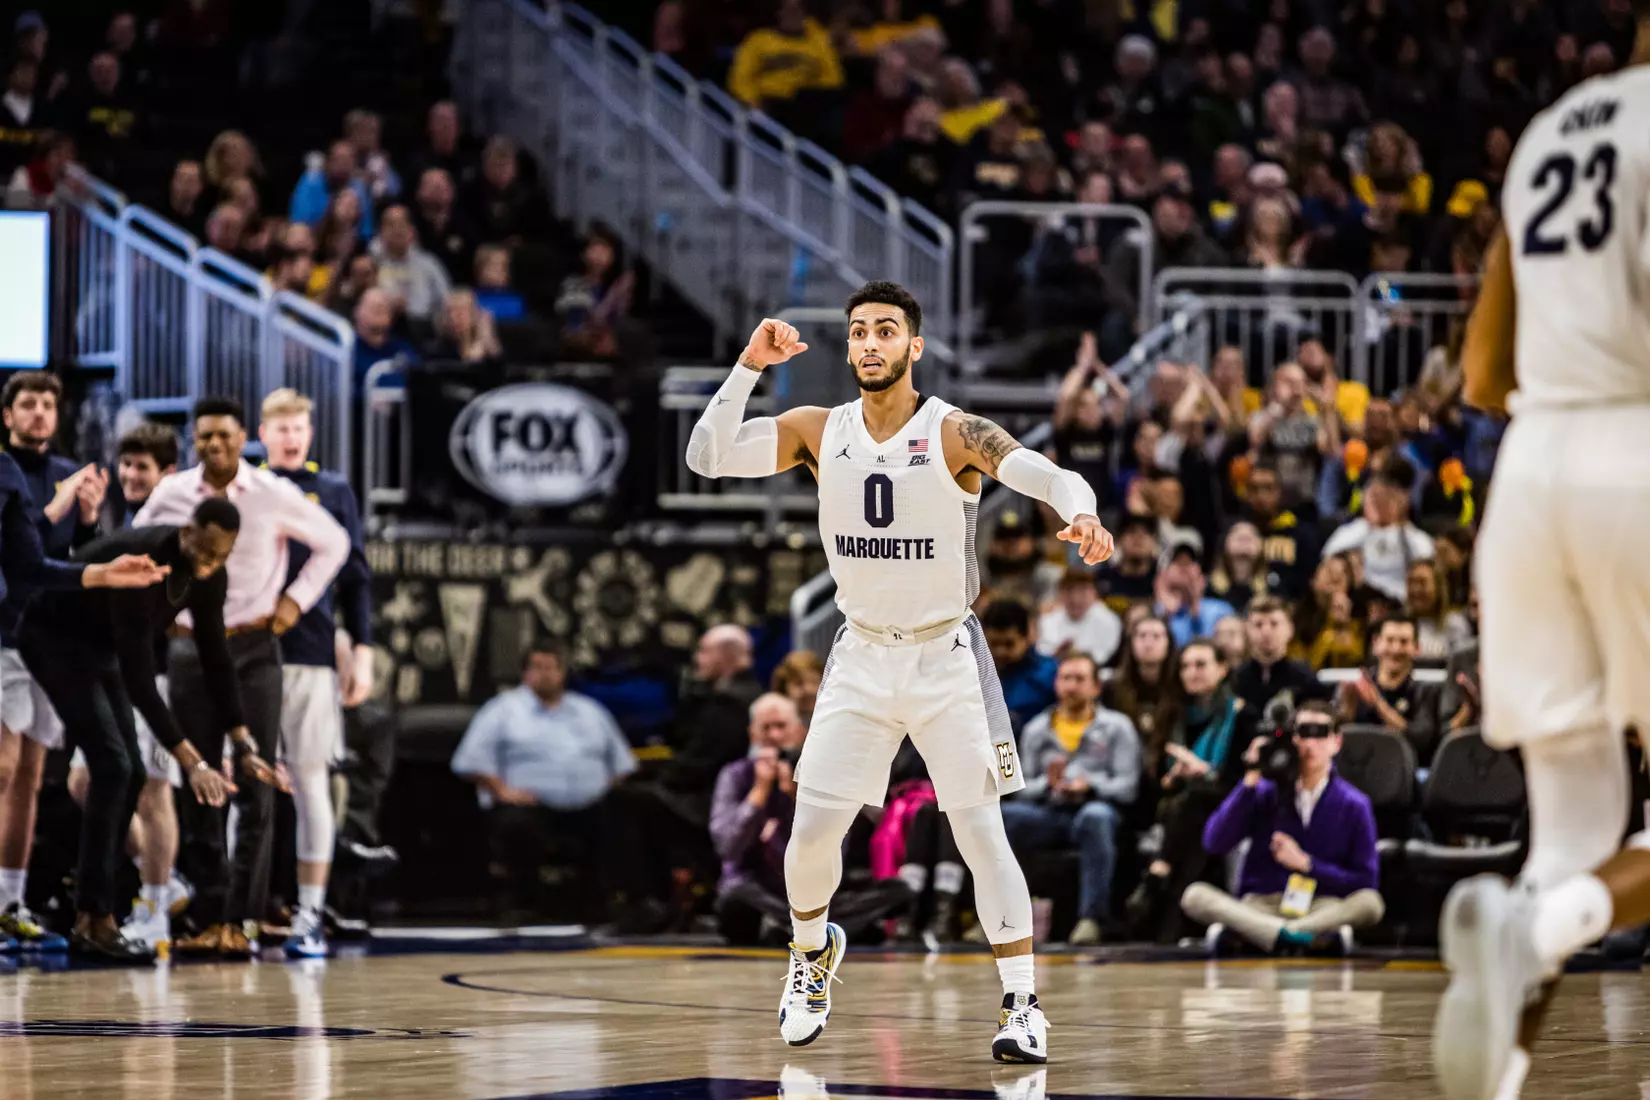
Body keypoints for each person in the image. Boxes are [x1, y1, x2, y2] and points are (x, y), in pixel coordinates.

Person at [685, 283, 1117, 1062]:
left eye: (887, 331)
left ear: (914, 346)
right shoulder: (819, 430)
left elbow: (1047, 475)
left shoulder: (955, 433)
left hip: (944, 654)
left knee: (981, 834)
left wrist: (1079, 511)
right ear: (848, 348)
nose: (871, 344)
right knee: (812, 831)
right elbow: (707, 457)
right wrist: (749, 365)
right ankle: (811, 954)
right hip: (859, 656)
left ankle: (1023, 1006)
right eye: (859, 333)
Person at [1432, 11, 1650, 1098]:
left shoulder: (1554, 130)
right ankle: (1545, 923)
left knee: (1569, 830)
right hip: (1639, 446)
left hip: (1532, 472)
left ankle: (1515, 1004)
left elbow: (1479, 373)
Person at [135, 396, 349, 960]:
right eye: (205, 436)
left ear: (242, 439)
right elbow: (136, 549)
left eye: (225, 436)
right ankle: (207, 915)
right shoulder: (172, 493)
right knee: (200, 778)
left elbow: (336, 543)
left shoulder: (274, 493)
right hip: (187, 648)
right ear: (193, 441)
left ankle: (244, 920)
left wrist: (294, 604)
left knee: (256, 783)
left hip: (253, 645)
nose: (215, 445)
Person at [20, 498, 278, 961]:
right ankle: (92, 920)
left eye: (221, 557)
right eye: (204, 553)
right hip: (51, 638)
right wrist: (192, 760)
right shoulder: (146, 564)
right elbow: (140, 681)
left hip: (100, 648)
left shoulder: (209, 575)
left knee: (131, 773)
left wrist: (241, 737)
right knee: (113, 767)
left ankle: (98, 913)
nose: (209, 565)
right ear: (187, 533)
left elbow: (216, 655)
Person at [258, 389, 374, 957]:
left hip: (310, 653)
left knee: (311, 783)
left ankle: (309, 911)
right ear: (262, 431)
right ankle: (243, 908)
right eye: (280, 427)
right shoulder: (247, 486)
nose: (290, 435)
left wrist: (361, 646)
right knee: (245, 786)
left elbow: (355, 577)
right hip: (247, 652)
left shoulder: (332, 490)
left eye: (299, 426)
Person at [0, 371, 104, 951]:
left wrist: (88, 519)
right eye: (28, 404)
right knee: (3, 768)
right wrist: (58, 507)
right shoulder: (5, 471)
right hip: (6, 633)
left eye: (48, 404)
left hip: (50, 638)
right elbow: (24, 556)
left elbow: (79, 560)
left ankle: (11, 902)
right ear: (8, 414)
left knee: (32, 779)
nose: (40, 413)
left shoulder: (69, 472)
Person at [450, 641, 635, 919]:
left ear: (563, 673)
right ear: (524, 673)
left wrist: (608, 791)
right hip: (529, 805)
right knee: (517, 824)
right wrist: (502, 789)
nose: (545, 674)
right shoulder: (502, 710)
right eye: (537, 667)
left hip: (589, 805)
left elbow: (623, 764)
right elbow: (467, 761)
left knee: (622, 815)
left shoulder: (591, 711)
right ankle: (525, 903)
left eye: (551, 668)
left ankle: (602, 903)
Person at [1181, 701, 1384, 954]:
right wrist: (1250, 778)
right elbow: (1214, 841)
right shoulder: (1266, 791)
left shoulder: (1355, 804)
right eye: (1301, 733)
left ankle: (1276, 935)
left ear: (1336, 742)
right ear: (1291, 739)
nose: (1309, 744)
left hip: (1321, 904)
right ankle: (1297, 936)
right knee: (1194, 895)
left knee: (1371, 903)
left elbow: (1366, 881)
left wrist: (1307, 864)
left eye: (1319, 733)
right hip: (1261, 905)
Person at [1002, 654, 1140, 945]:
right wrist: (1048, 786)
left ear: (1096, 687)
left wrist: (1089, 787)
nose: (1071, 686)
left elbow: (1128, 787)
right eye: (1065, 678)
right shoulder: (1037, 729)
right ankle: (1002, 916)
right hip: (1051, 811)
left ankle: (1092, 918)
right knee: (1004, 817)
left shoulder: (1117, 727)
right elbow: (1022, 787)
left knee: (1095, 817)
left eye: (1079, 679)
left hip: (1097, 808)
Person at [1335, 615, 1440, 765]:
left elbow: (1421, 742)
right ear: (1376, 644)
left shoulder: (1425, 692)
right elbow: (1334, 741)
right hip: (1356, 769)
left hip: (1402, 774)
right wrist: (1347, 711)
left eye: (1404, 642)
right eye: (1390, 640)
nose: (1396, 649)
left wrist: (1378, 704)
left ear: (1417, 648)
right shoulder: (1355, 686)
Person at [1036, 568, 1122, 665]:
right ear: (1059, 593)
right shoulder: (1047, 620)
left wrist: (1074, 655)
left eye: (1082, 591)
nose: (1075, 599)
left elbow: (1103, 656)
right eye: (1069, 590)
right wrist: (1056, 654)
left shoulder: (1109, 620)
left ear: (1094, 593)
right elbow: (1041, 653)